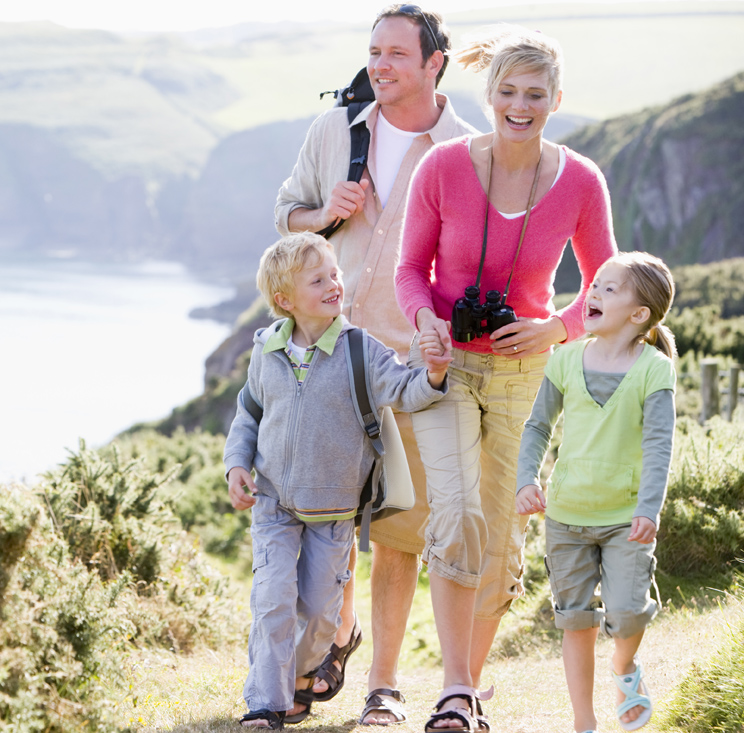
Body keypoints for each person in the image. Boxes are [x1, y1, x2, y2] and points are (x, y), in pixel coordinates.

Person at [393, 24, 617, 732]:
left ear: (556, 99)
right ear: (488, 94)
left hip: (528, 374)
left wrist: (555, 327)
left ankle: (469, 683)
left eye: (535, 94)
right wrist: (426, 322)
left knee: (500, 535)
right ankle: (455, 690)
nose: (520, 106)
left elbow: (607, 286)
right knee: (456, 513)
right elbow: (410, 273)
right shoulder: (444, 168)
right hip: (448, 365)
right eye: (508, 92)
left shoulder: (581, 180)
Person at [273, 5, 476, 724]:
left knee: (396, 531)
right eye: (373, 51)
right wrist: (324, 211)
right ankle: (334, 635)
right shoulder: (335, 131)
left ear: (434, 64)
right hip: (325, 356)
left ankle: (381, 689)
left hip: (407, 364)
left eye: (395, 53)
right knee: (322, 519)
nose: (379, 65)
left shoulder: (465, 151)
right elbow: (286, 216)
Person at [224, 231, 452, 729]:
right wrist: (237, 464)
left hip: (333, 512)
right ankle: (265, 703)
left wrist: (432, 374)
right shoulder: (268, 349)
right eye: (318, 279)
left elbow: (403, 387)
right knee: (273, 600)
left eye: (335, 274)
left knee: (321, 614)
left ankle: (302, 678)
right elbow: (248, 413)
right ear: (285, 300)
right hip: (274, 504)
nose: (334, 283)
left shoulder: (359, 350)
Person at [516, 252, 677, 733]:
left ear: (639, 314)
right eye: (595, 285)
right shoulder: (564, 359)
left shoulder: (654, 370)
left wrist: (650, 508)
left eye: (610, 288)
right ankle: (583, 721)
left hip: (628, 518)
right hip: (566, 516)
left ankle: (625, 668)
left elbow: (659, 445)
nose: (595, 294)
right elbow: (537, 426)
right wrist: (528, 478)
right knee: (575, 621)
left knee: (627, 616)